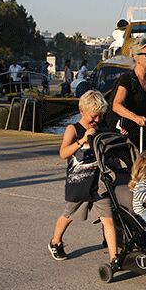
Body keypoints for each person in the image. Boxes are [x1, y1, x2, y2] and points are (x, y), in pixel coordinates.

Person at [48, 90, 118, 264]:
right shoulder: (74, 129)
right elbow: (63, 153)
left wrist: (117, 134)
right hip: (79, 182)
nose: (97, 121)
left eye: (100, 117)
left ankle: (114, 257)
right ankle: (55, 241)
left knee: (108, 218)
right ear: (82, 111)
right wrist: (81, 141)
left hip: (99, 183)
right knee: (69, 214)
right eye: (93, 117)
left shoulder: (100, 127)